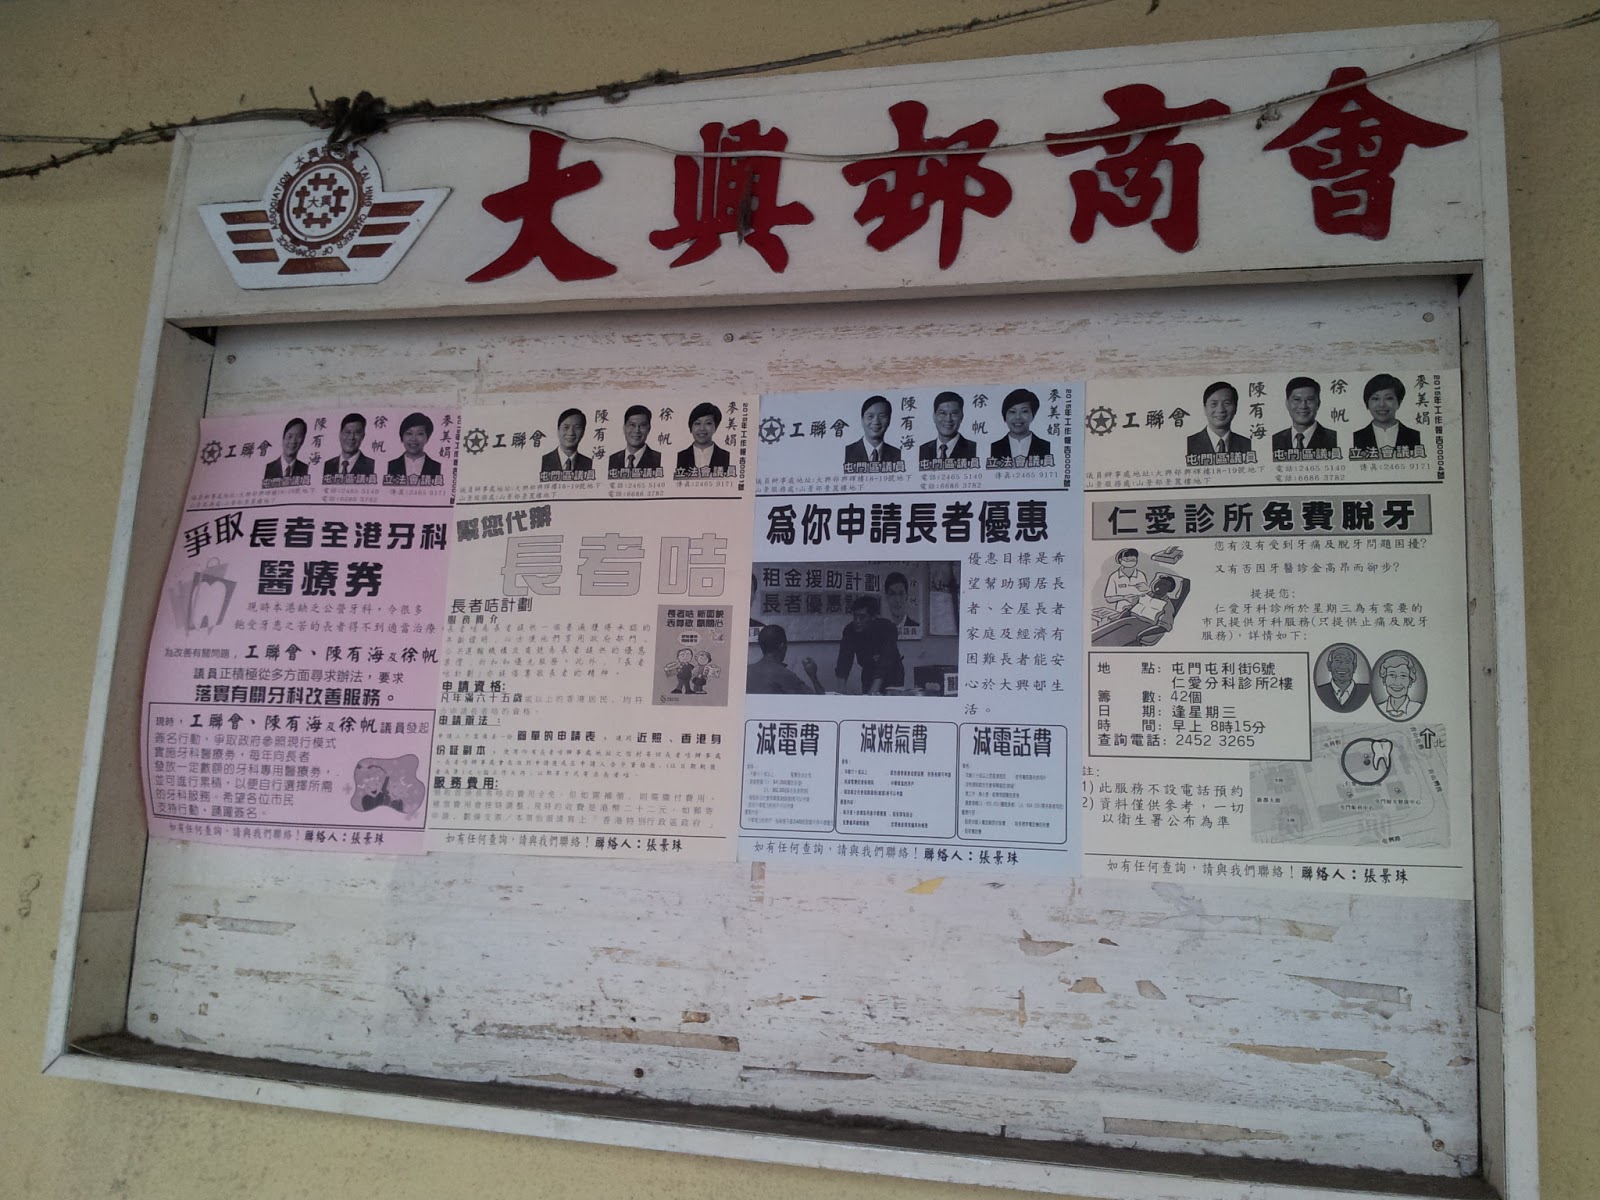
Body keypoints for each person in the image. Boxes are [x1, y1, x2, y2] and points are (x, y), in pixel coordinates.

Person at [834, 595, 903, 695]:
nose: (857, 621)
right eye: (855, 616)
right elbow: (844, 660)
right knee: (867, 700)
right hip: (868, 671)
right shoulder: (850, 630)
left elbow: (885, 659)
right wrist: (841, 692)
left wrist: (873, 691)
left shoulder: (888, 628)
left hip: (892, 673)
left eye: (862, 617)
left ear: (873, 617)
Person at [1352, 373, 1423, 453]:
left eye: (1389, 398)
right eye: (1375, 398)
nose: (1382, 404)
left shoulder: (1415, 436)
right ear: (1367, 403)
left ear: (1399, 402)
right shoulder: (1356, 437)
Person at [746, 624, 825, 695]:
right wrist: (813, 677)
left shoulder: (747, 671)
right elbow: (819, 702)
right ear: (782, 646)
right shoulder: (785, 676)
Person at [1271, 377, 1338, 453]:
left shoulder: (1333, 439)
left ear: (1318, 403)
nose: (1303, 406)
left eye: (1309, 400)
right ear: (1287, 403)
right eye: (1297, 400)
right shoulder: (1275, 440)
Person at [1185, 382, 1251, 457]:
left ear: (1235, 408)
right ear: (1205, 409)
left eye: (1227, 403)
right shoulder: (1188, 444)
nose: (1220, 410)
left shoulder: (1248, 445)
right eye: (1214, 404)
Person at [988, 388, 1052, 463]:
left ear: (1033, 415)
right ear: (1005, 416)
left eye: (1024, 411)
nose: (1018, 417)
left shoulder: (1046, 447)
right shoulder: (993, 448)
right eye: (1012, 412)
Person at [918, 391, 978, 464]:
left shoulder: (973, 449)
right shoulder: (922, 450)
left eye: (954, 413)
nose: (948, 419)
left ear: (961, 417)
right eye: (943, 413)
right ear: (934, 416)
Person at [674, 401, 731, 474]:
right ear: (691, 428)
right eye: (697, 423)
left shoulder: (725, 456)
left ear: (715, 427)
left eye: (708, 423)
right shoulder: (680, 456)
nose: (702, 428)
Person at [844, 395, 902, 466]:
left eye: (882, 416)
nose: (876, 422)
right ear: (862, 420)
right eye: (870, 416)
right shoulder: (846, 452)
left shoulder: (898, 455)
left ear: (889, 419)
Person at [1315, 644, 1370, 713]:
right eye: (1338, 660)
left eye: (1347, 661)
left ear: (1354, 667)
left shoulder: (1365, 691)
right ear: (1329, 666)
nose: (1342, 666)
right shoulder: (1321, 691)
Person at [386, 411, 442, 478]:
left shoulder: (437, 467)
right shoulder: (390, 466)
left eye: (420, 434)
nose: (413, 439)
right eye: (409, 433)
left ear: (427, 438)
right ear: (402, 437)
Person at [607, 404, 661, 474]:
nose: (637, 430)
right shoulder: (612, 459)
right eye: (632, 425)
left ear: (649, 429)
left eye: (642, 425)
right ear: (624, 428)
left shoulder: (658, 459)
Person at [1372, 650, 1425, 721]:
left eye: (1403, 676)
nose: (1397, 682)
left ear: (1410, 682)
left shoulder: (1416, 708)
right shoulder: (1380, 708)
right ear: (1384, 680)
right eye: (1392, 675)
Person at [540, 408, 593, 474]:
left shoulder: (590, 464)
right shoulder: (542, 461)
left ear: (583, 432)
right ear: (558, 430)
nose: (571, 433)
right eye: (566, 427)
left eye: (577, 427)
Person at [323, 412, 375, 476]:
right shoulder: (327, 465)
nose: (351, 437)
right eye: (348, 432)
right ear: (340, 434)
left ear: (363, 436)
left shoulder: (371, 466)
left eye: (357, 433)